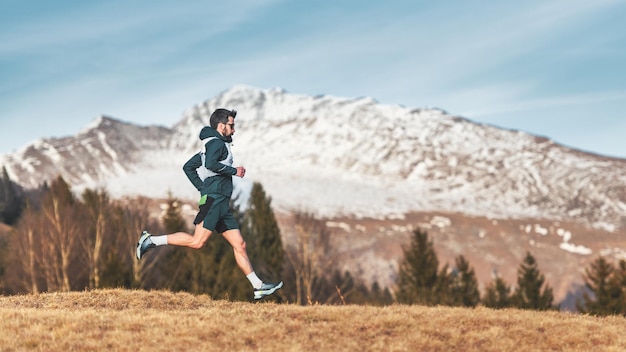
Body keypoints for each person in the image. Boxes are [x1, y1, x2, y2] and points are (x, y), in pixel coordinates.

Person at [136, 108, 283, 300]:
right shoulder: (216, 144)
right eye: (231, 125)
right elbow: (211, 165)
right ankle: (151, 241)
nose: (234, 129)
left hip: (220, 202)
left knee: (240, 244)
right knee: (197, 242)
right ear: (221, 126)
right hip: (214, 200)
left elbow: (189, 167)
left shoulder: (212, 144)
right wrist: (233, 171)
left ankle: (258, 286)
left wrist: (202, 187)